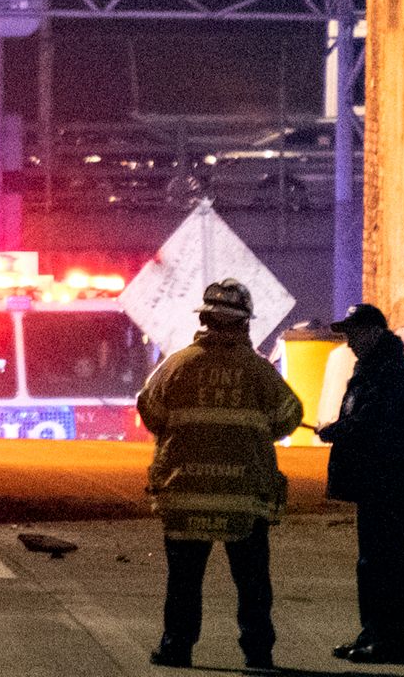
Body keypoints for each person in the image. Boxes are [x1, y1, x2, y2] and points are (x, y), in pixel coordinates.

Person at [137, 278, 303, 672]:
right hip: (243, 499)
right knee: (252, 584)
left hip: (185, 493)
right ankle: (257, 656)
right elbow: (288, 418)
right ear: (245, 325)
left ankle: (177, 648)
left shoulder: (176, 365)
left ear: (206, 320)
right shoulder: (260, 373)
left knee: (183, 581)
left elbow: (150, 412)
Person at [317, 303, 404, 664]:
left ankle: (390, 641)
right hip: (377, 484)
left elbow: (372, 422)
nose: (349, 342)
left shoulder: (391, 372)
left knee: (387, 564)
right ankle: (373, 634)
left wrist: (335, 430)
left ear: (374, 333)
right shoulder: (374, 369)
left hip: (390, 485)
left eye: (354, 334)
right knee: (372, 563)